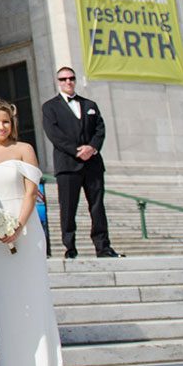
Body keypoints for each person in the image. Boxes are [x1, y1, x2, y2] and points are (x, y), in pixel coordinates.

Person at [0, 100, 66, 366]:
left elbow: (30, 194)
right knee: (7, 305)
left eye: (6, 122)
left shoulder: (24, 149)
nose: (1, 127)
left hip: (25, 232)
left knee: (33, 299)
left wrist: (17, 227)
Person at [40, 66, 119, 259]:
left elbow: (100, 129)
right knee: (68, 208)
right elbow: (54, 134)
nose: (68, 82)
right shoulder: (50, 107)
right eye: (64, 79)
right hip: (67, 165)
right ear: (58, 82)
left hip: (92, 164)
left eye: (71, 78)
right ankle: (70, 247)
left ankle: (103, 247)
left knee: (97, 206)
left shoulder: (89, 104)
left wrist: (91, 148)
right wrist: (77, 151)